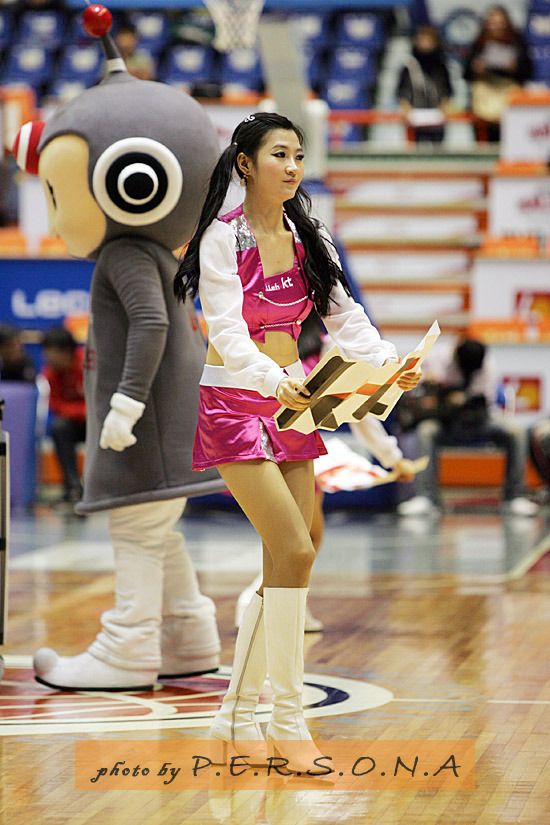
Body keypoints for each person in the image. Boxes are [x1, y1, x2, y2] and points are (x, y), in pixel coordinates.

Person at [174, 111, 421, 772]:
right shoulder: (222, 238)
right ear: (245, 163)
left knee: (295, 553)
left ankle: (236, 718)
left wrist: (388, 363)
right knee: (292, 547)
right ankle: (286, 722)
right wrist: (269, 379)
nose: (292, 166)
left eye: (299, 156)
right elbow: (227, 331)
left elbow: (347, 318)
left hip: (295, 403)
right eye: (279, 154)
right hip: (236, 400)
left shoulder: (312, 236)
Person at [12, 5, 223, 691]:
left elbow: (151, 326)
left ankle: (128, 646)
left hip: (148, 423)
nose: (55, 211)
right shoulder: (157, 253)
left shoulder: (127, 254)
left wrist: (126, 404)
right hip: (176, 423)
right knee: (158, 530)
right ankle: (189, 633)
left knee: (135, 529)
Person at [398, 338, 538, 517]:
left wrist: (464, 399)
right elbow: (428, 392)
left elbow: (484, 402)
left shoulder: (487, 364)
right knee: (426, 431)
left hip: (479, 420)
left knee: (516, 431)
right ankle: (426, 498)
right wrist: (442, 394)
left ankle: (515, 498)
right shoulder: (439, 358)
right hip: (445, 421)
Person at [464, 5, 532, 142]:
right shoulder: (479, 43)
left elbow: (528, 72)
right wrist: (476, 68)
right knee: (485, 144)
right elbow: (466, 74)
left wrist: (514, 68)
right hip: (484, 105)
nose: (497, 27)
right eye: (493, 23)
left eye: (500, 23)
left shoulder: (517, 42)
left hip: (509, 102)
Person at [41, 326, 86, 503]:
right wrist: (80, 411)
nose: (47, 358)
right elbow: (55, 405)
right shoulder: (50, 372)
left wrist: (82, 411)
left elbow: (99, 400)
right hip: (75, 423)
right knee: (59, 427)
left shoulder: (88, 364)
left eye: (51, 353)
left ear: (66, 351)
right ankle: (73, 487)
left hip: (97, 422)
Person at [396, 25, 453, 145]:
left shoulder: (441, 67)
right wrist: (407, 110)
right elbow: (401, 92)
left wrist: (443, 109)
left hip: (436, 117)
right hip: (415, 116)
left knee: (438, 150)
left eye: (429, 40)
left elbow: (447, 91)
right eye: (422, 40)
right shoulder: (409, 66)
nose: (425, 44)